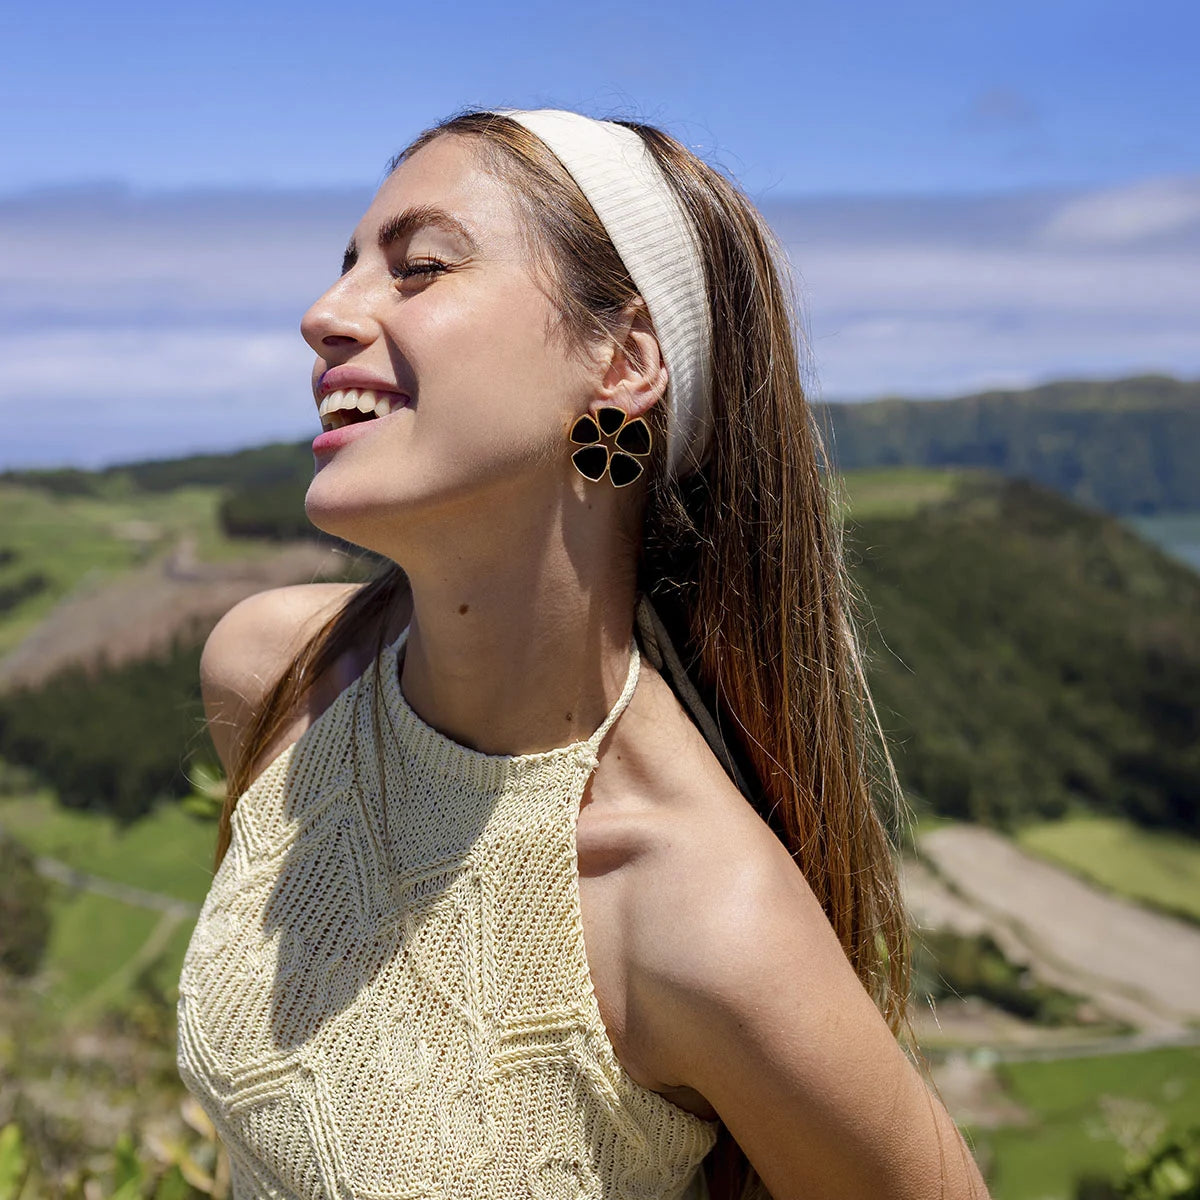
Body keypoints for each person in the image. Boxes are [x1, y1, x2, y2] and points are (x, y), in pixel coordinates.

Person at [176, 107, 991, 1200]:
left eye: (420, 267)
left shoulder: (700, 916)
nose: (326, 316)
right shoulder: (275, 676)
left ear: (621, 363)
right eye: (348, 268)